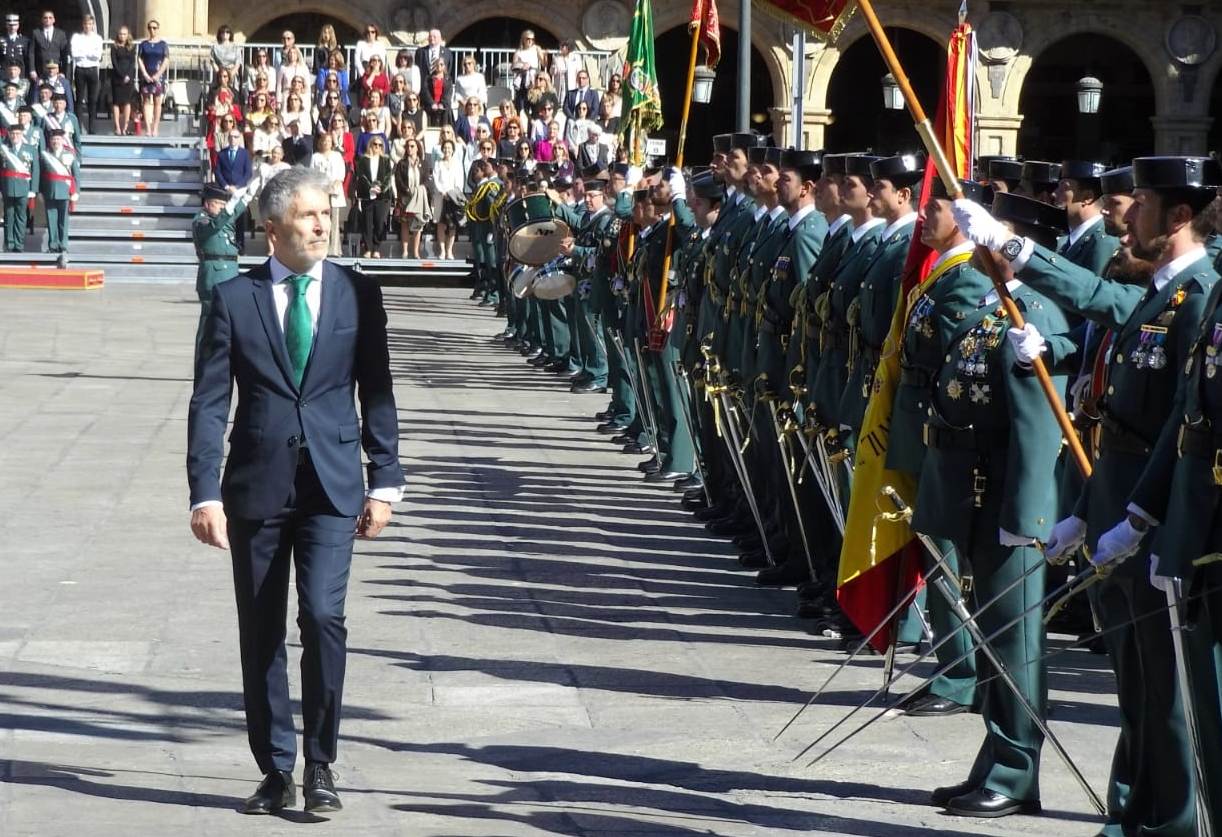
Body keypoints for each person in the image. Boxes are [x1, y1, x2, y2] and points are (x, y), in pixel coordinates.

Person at [188, 166, 404, 815]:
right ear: (271, 227)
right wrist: (204, 492)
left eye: (325, 211)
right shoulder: (232, 298)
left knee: (323, 616)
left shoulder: (357, 294)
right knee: (260, 630)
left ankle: (322, 762)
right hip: (256, 486)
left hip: (334, 487)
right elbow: (208, 402)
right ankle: (276, 767)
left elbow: (379, 389)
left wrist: (386, 479)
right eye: (308, 214)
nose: (321, 223)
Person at [37, 127, 78, 255]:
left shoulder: (69, 155)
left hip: (65, 192)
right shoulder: (45, 155)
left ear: (62, 140)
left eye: (58, 139)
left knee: (63, 221)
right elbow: (41, 175)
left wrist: (76, 192)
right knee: (51, 221)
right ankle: (53, 245)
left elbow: (76, 175)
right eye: (53, 139)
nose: (55, 141)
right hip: (49, 192)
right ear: (50, 141)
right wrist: (40, 192)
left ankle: (63, 245)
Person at [1, 121, 37, 251]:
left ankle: (19, 244)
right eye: (12, 134)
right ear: (9, 135)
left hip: (23, 187)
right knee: (9, 216)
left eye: (17, 133)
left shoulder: (30, 149)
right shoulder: (4, 149)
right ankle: (9, 243)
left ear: (22, 134)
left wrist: (33, 189)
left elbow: (35, 170)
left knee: (21, 217)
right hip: (8, 187)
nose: (15, 136)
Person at [215, 126, 252, 251]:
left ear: (239, 138)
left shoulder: (245, 153)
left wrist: (237, 186)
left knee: (239, 218)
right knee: (225, 216)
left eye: (235, 137)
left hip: (239, 190)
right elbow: (218, 172)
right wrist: (226, 186)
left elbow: (248, 173)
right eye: (230, 136)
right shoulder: (222, 154)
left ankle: (240, 246)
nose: (233, 139)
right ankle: (225, 244)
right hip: (225, 190)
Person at [310, 131, 346, 256]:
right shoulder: (315, 156)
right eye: (324, 141)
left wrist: (336, 182)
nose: (326, 143)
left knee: (334, 221)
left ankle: (334, 249)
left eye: (329, 141)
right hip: (321, 191)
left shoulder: (337, 155)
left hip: (334, 190)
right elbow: (312, 173)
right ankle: (322, 248)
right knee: (322, 220)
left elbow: (341, 172)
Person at [393, 137, 429, 258]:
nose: (410, 149)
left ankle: (416, 251)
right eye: (408, 146)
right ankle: (405, 251)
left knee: (418, 225)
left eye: (412, 146)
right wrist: (406, 190)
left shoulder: (423, 163)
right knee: (405, 224)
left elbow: (426, 179)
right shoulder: (402, 163)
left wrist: (420, 190)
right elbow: (398, 180)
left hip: (418, 197)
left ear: (417, 148)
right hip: (406, 197)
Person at [430, 137, 464, 260]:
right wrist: (443, 192)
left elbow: (460, 182)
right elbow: (435, 180)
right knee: (441, 224)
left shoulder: (457, 164)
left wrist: (452, 193)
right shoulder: (438, 164)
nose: (447, 150)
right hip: (441, 197)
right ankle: (442, 251)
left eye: (449, 148)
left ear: (453, 150)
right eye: (445, 148)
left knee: (452, 225)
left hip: (453, 198)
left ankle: (450, 251)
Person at [69, 15, 102, 133]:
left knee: (92, 100)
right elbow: (74, 53)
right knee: (79, 98)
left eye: (90, 24)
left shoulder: (98, 38)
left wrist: (83, 52)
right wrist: (89, 53)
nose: (88, 26)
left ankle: (92, 127)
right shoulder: (77, 37)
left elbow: (97, 55)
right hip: (80, 69)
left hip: (93, 69)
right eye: (86, 24)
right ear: (83, 25)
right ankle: (78, 127)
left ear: (93, 25)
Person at [136, 20, 168, 136]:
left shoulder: (163, 44)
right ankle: (148, 128)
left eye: (154, 28)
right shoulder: (143, 44)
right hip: (146, 74)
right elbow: (139, 59)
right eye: (150, 28)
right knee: (145, 101)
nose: (152, 30)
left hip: (158, 75)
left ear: (158, 29)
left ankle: (155, 128)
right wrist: (144, 74)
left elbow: (166, 59)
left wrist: (158, 74)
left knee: (157, 101)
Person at [30, 10, 69, 84]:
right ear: (42, 20)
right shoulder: (36, 33)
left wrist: (63, 71)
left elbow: (64, 54)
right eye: (45, 18)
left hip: (56, 71)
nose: (48, 20)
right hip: (40, 70)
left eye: (50, 18)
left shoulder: (61, 34)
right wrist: (32, 70)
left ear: (54, 20)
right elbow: (31, 53)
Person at [511, 30, 545, 111]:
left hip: (534, 80)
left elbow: (544, 64)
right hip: (522, 80)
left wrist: (543, 55)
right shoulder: (518, 51)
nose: (530, 41)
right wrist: (522, 66)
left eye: (532, 39)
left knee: (535, 106)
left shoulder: (536, 49)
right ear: (523, 39)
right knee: (522, 108)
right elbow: (513, 67)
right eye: (528, 39)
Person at [1, 14, 33, 83]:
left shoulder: (25, 41)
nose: (12, 27)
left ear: (18, 26)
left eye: (14, 25)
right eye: (10, 25)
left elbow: (28, 58)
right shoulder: (1, 40)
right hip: (4, 74)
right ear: (6, 25)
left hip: (21, 74)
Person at [210, 25, 242, 91]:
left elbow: (238, 62)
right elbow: (213, 61)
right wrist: (220, 74)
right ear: (220, 34)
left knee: (232, 93)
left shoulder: (235, 47)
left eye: (227, 32)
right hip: (219, 73)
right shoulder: (215, 46)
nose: (225, 34)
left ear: (230, 34)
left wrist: (231, 74)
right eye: (222, 32)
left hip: (232, 73)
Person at [422, 60, 451, 129]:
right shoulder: (428, 78)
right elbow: (425, 91)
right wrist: (432, 103)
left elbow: (448, 93)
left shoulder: (448, 78)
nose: (439, 66)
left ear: (444, 66)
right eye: (437, 64)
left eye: (441, 64)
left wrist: (442, 103)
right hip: (431, 106)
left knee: (444, 128)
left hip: (444, 107)